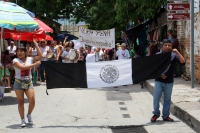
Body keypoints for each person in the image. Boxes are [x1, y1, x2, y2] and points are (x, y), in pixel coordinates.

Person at [150, 40, 185, 122]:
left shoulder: (173, 55)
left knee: (167, 99)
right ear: (162, 46)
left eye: (169, 45)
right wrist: (161, 75)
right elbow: (154, 67)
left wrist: (177, 52)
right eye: (166, 45)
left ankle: (166, 115)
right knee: (156, 98)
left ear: (172, 47)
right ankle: (156, 114)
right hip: (159, 81)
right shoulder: (158, 55)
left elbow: (183, 62)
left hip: (169, 81)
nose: (168, 47)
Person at [12, 39, 42, 127]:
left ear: (25, 52)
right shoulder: (15, 60)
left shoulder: (30, 59)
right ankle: (22, 120)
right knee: (20, 102)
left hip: (28, 82)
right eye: (18, 51)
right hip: (18, 82)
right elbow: (22, 68)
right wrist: (34, 65)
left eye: (21, 51)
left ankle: (29, 114)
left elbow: (40, 56)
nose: (19, 53)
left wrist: (36, 44)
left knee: (32, 101)